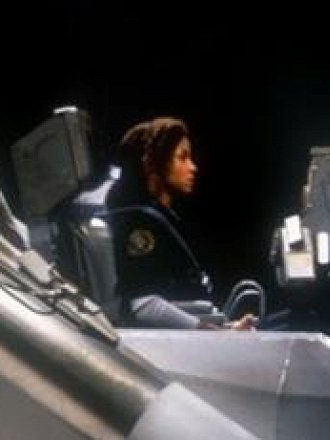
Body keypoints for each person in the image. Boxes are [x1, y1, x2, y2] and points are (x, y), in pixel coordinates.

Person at [105, 116, 255, 330]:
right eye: (182, 158)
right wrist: (210, 332)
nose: (193, 167)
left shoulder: (159, 218)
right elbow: (143, 306)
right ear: (153, 164)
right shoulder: (141, 224)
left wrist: (224, 327)